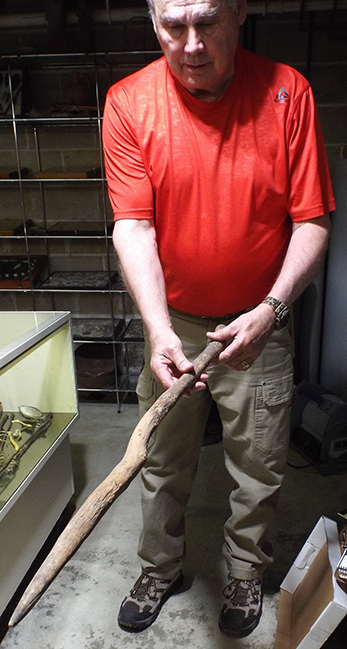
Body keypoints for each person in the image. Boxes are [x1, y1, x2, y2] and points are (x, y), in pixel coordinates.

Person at [102, 0, 335, 638]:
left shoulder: (289, 93)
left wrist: (272, 310)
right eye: (173, 25)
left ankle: (243, 571)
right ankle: (160, 568)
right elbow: (134, 225)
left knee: (257, 463)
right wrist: (158, 329)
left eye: (207, 21)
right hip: (173, 322)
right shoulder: (129, 102)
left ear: (237, 15)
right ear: (153, 21)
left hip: (261, 324)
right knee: (163, 460)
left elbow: (311, 220)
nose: (192, 42)